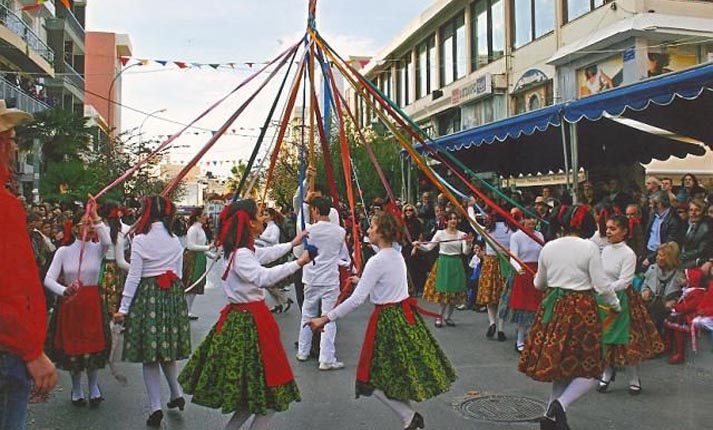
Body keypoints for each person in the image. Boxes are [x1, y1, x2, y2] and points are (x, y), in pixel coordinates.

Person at [307, 211, 456, 430]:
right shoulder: (396, 255)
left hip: (387, 322)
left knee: (372, 377)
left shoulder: (377, 261)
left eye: (372, 227)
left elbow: (358, 299)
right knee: (391, 375)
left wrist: (326, 318)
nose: (368, 230)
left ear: (382, 231)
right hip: (403, 319)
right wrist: (363, 278)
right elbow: (385, 278)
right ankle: (408, 417)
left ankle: (408, 416)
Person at [179, 199, 311, 430]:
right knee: (266, 393)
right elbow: (263, 277)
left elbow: (265, 254)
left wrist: (291, 244)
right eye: (259, 215)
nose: (263, 218)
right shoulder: (240, 253)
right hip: (250, 323)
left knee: (252, 395)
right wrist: (299, 262)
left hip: (246, 319)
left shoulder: (239, 250)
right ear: (249, 223)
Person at [518, 204, 621, 430]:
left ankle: (550, 416)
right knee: (592, 368)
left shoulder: (548, 247)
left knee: (561, 368)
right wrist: (615, 304)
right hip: (582, 311)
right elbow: (601, 285)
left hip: (554, 309)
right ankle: (560, 406)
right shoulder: (589, 248)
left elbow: (539, 284)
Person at [0, 102, 57, 430]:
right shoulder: (5, 208)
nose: (14, 147)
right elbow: (11, 288)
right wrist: (31, 351)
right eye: (9, 138)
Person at [113, 196, 191, 427]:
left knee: (150, 356)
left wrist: (123, 308)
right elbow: (176, 273)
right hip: (172, 298)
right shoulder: (174, 240)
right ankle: (176, 393)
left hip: (148, 298)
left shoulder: (141, 240)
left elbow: (135, 276)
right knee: (165, 350)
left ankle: (156, 406)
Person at [44, 210, 112, 407]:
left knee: (92, 345)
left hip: (92, 304)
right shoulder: (63, 252)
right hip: (71, 304)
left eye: (92, 224)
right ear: (74, 228)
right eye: (85, 224)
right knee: (73, 347)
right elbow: (48, 279)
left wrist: (97, 217)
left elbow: (107, 239)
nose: (90, 228)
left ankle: (93, 386)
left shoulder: (98, 249)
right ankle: (76, 387)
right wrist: (64, 290)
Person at [596, 215, 664, 395]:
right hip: (604, 298)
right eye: (608, 228)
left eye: (613, 228)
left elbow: (625, 281)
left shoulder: (628, 254)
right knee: (606, 338)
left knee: (627, 340)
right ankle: (607, 372)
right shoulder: (605, 250)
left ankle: (634, 378)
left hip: (623, 299)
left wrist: (605, 288)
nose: (609, 231)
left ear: (624, 231)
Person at [296, 197, 348, 370]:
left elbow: (300, 220)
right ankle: (326, 358)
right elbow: (342, 256)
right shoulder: (340, 232)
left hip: (311, 277)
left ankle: (303, 351)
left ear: (316, 210)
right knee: (328, 317)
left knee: (307, 313)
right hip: (330, 279)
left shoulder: (310, 230)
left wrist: (304, 203)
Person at [415, 211, 470, 328]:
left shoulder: (462, 235)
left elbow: (465, 252)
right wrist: (418, 245)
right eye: (451, 219)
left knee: (454, 293)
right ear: (447, 221)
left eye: (455, 218)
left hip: (456, 262)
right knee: (444, 292)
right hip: (444, 262)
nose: (453, 221)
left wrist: (468, 243)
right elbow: (429, 247)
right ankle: (439, 316)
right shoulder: (440, 233)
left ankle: (448, 317)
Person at [508, 214, 544, 353]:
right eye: (529, 218)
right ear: (523, 220)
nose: (532, 221)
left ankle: (535, 338)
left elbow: (543, 254)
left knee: (537, 307)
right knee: (523, 308)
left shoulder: (539, 235)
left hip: (538, 273)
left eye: (534, 218)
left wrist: (543, 271)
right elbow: (513, 256)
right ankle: (520, 340)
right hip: (523, 272)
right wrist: (518, 269)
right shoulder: (516, 236)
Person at [476, 212, 513, 339]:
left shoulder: (487, 230)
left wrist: (470, 207)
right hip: (506, 263)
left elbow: (472, 222)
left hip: (490, 263)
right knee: (503, 298)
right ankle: (501, 328)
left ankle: (492, 322)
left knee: (490, 296)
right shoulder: (511, 230)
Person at [641, 242, 686, 336]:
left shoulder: (680, 275)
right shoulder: (652, 268)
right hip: (651, 305)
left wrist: (674, 301)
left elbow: (683, 294)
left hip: (667, 309)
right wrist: (645, 291)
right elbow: (645, 284)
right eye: (657, 254)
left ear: (669, 258)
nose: (657, 257)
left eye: (661, 255)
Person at [256, 207, 293, 314]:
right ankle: (279, 302)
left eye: (266, 215)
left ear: (271, 216)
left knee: (268, 282)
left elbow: (272, 240)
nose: (264, 217)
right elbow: (264, 243)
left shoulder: (274, 228)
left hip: (273, 257)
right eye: (263, 214)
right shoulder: (268, 227)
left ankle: (283, 299)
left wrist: (260, 237)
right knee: (268, 283)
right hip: (268, 255)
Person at [97, 202, 130, 319]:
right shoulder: (120, 232)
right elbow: (121, 262)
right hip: (113, 270)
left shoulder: (98, 230)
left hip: (98, 268)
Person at [183, 207, 216, 320]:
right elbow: (190, 246)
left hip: (200, 258)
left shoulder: (201, 230)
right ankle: (185, 310)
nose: (207, 216)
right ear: (198, 217)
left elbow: (202, 249)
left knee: (196, 285)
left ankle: (188, 309)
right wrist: (209, 247)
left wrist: (213, 256)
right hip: (192, 259)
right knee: (191, 283)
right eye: (204, 214)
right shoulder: (193, 229)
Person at [643, 191, 685, 268]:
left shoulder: (674, 220)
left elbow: (668, 243)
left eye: (651, 203)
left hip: (661, 256)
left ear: (659, 204)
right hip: (648, 251)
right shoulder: (653, 215)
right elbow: (648, 234)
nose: (650, 206)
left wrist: (650, 259)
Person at [679, 199, 712, 269]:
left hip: (696, 260)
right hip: (682, 257)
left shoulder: (707, 228)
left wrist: (680, 256)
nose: (693, 213)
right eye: (691, 210)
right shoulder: (684, 223)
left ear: (703, 213)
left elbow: (701, 250)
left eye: (697, 210)